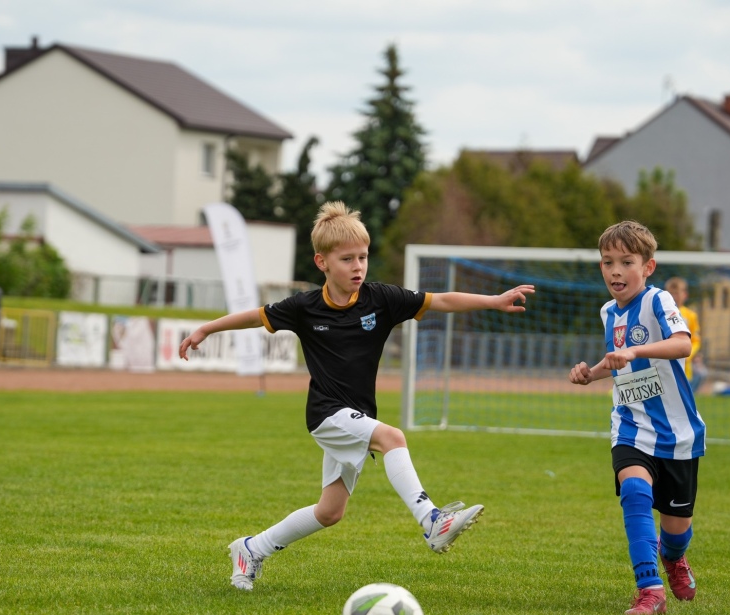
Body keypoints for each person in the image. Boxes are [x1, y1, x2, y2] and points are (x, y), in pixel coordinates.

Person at [179, 201, 536, 591]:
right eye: (347, 259)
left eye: (362, 257)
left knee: (330, 512)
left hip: (357, 414)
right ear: (322, 262)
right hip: (326, 414)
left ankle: (251, 549)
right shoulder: (304, 307)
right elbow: (255, 315)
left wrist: (493, 301)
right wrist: (206, 329)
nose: (358, 266)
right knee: (392, 437)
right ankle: (432, 520)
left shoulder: (381, 299)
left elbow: (441, 300)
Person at [569, 220, 705, 615]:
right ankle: (650, 590)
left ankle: (673, 558)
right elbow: (619, 362)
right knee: (634, 492)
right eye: (607, 262)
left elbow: (682, 345)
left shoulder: (658, 300)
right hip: (630, 425)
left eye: (626, 262)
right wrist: (591, 373)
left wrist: (635, 351)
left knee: (676, 530)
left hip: (677, 433)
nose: (615, 271)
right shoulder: (608, 312)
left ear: (647, 267)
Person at [665, 276, 708, 393]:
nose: (674, 297)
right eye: (671, 293)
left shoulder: (690, 316)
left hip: (684, 365)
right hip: (665, 362)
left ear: (685, 295)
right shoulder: (660, 313)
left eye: (677, 293)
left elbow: (695, 340)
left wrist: (688, 355)